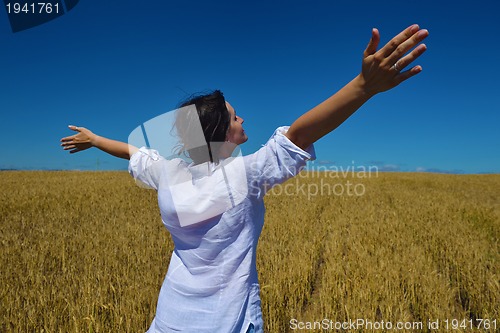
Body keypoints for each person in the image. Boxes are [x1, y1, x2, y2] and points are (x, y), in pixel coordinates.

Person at [60, 24, 428, 333]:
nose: (242, 120)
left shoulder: (168, 173)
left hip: (171, 318)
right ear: (222, 132)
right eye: (235, 118)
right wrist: (363, 86)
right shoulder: (244, 174)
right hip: (229, 321)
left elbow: (133, 152)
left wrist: (94, 140)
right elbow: (299, 135)